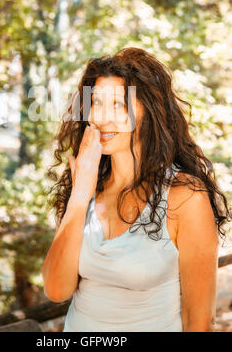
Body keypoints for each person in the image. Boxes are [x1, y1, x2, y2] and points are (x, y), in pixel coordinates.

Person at [42, 47, 231, 332]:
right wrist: (80, 195)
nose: (102, 117)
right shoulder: (85, 182)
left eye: (118, 105)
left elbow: (199, 322)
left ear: (148, 111)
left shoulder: (185, 196)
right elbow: (57, 290)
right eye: (95, 102)